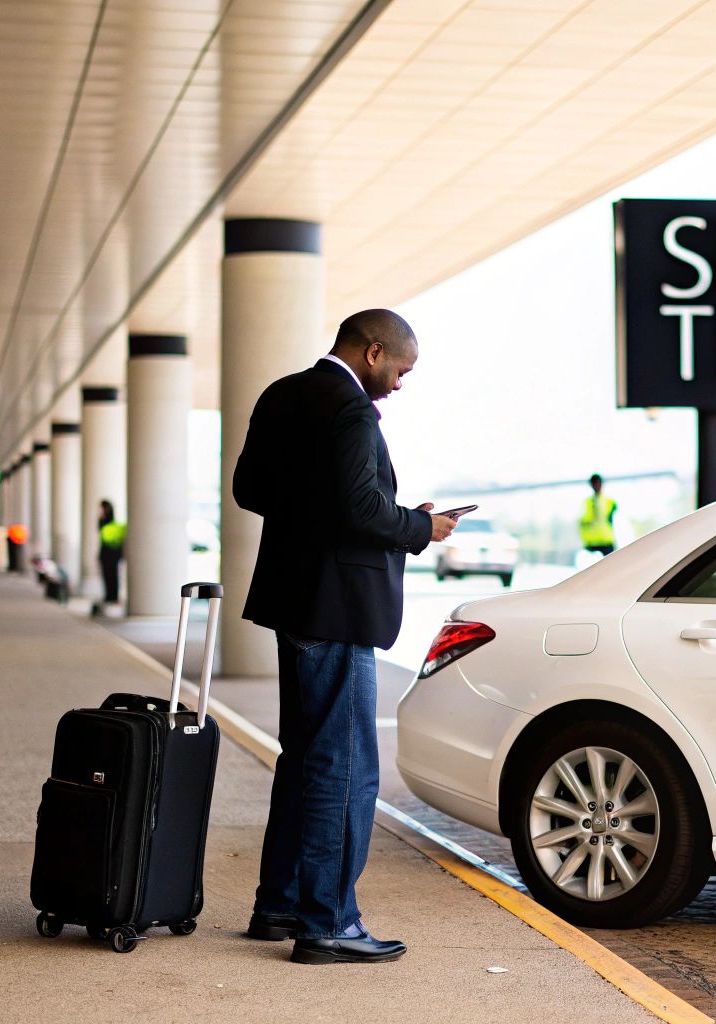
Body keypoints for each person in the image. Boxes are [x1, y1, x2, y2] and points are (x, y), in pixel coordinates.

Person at [233, 308, 456, 965]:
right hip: (337, 610)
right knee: (347, 766)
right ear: (373, 351)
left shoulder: (282, 394)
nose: (399, 384)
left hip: (292, 601)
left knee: (302, 758)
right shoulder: (351, 410)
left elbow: (251, 490)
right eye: (400, 369)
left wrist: (319, 510)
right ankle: (328, 922)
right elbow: (359, 508)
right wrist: (420, 528)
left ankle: (279, 905)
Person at [579, 473, 618, 556]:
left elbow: (616, 522)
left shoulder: (610, 502)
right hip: (592, 544)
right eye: (594, 483)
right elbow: (582, 523)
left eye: (598, 483)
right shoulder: (587, 502)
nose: (596, 485)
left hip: (606, 542)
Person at [96, 500, 125, 608]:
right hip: (112, 552)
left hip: (109, 552)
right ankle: (111, 596)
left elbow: (100, 528)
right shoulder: (111, 522)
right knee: (111, 575)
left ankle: (111, 596)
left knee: (111, 575)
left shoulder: (104, 521)